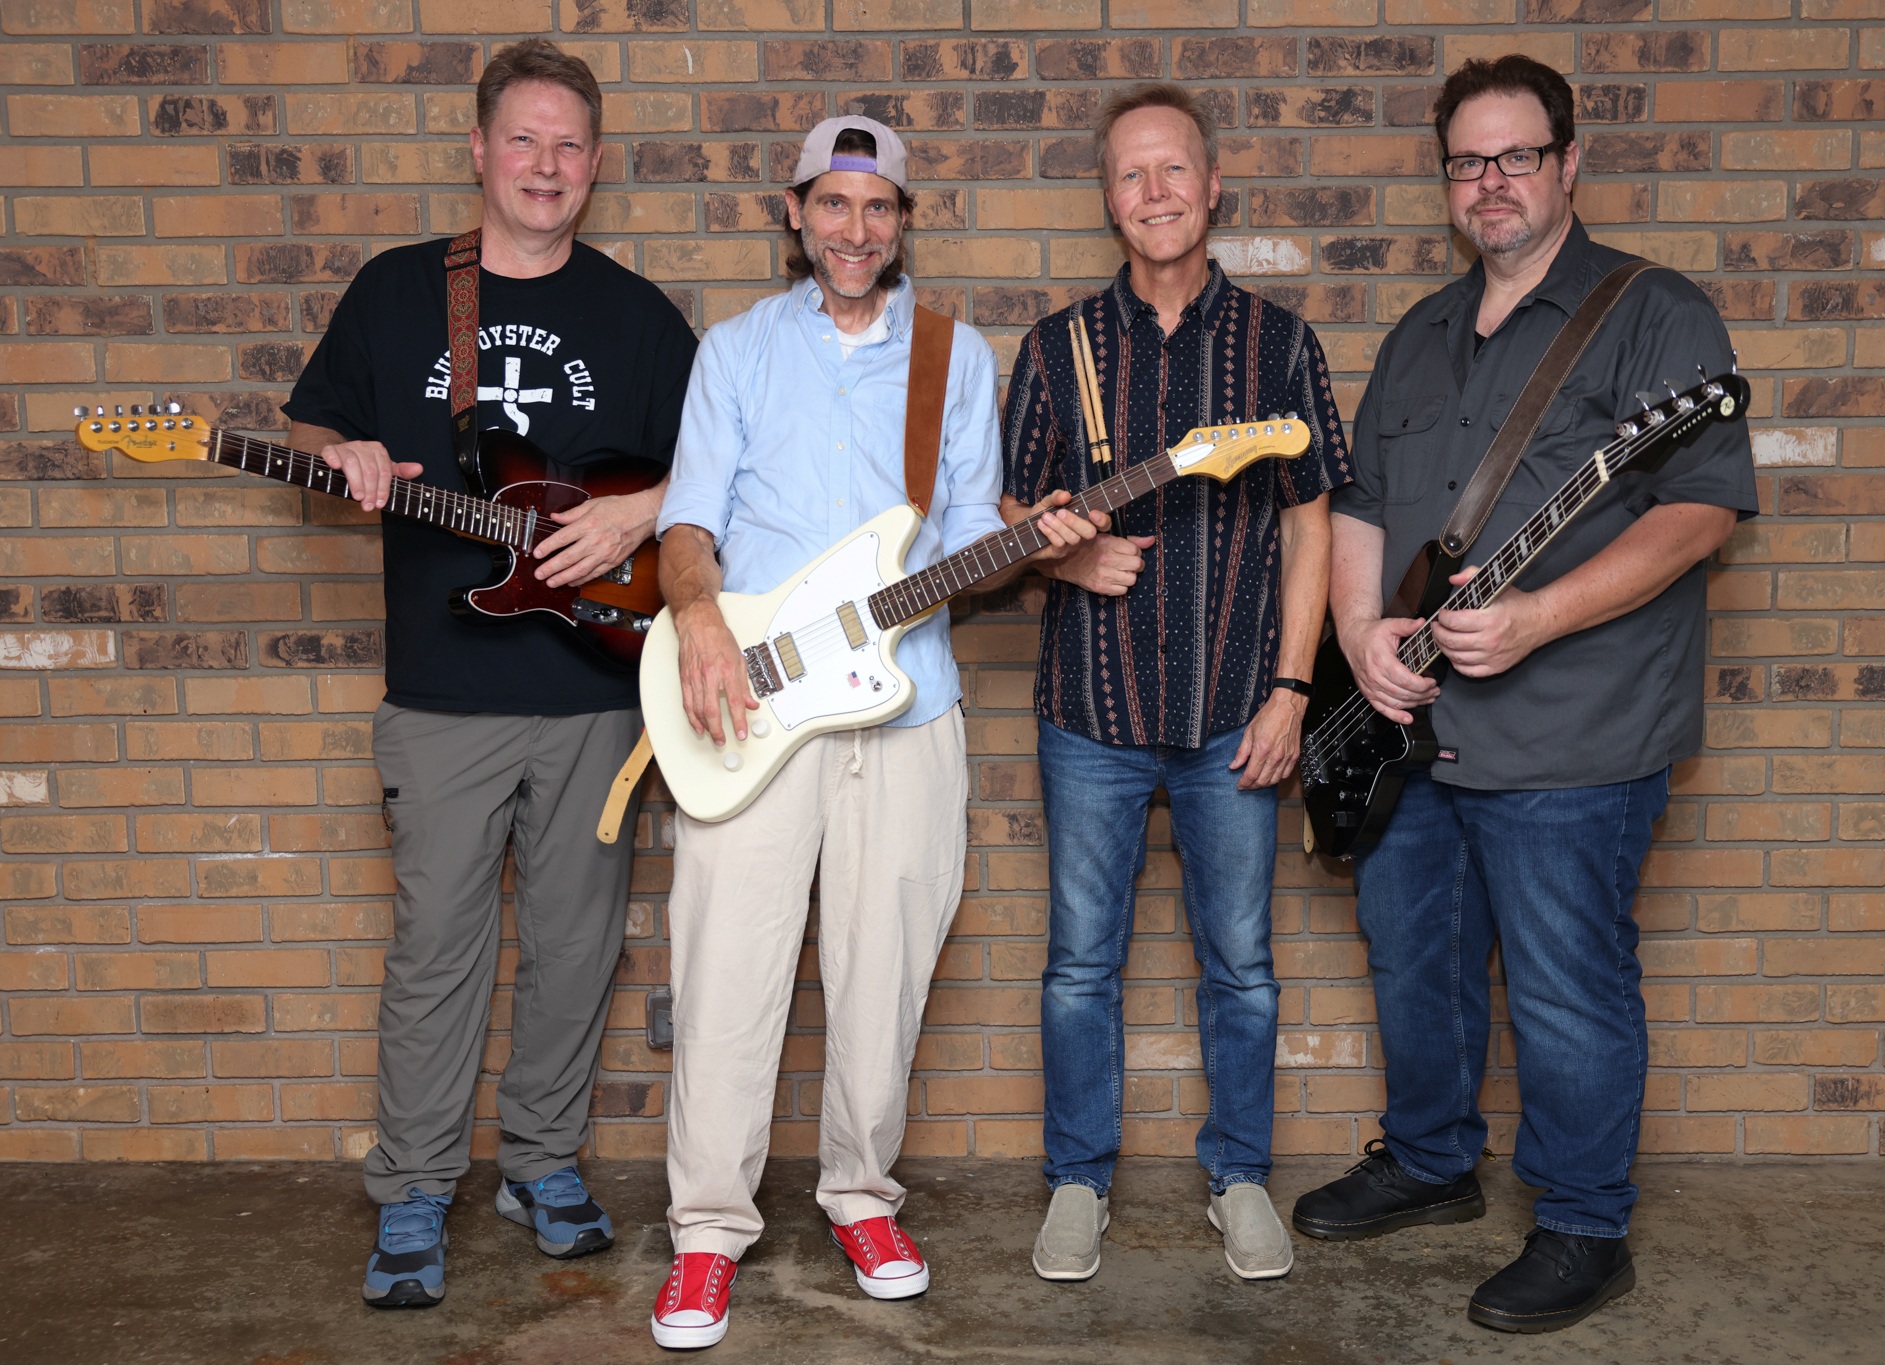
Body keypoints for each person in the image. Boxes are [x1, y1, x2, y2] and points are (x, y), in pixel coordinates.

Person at [1289, 54, 1756, 1332]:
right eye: (1466, 161)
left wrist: (1540, 614)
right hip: (1412, 732)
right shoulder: (1419, 335)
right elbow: (1364, 515)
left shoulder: (1655, 316)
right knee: (1416, 962)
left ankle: (1582, 1223)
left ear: (1564, 165)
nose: (1489, 182)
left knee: (1564, 983)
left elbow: (1703, 508)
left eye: (1515, 156)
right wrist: (1362, 639)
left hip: (1574, 735)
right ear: (1445, 181)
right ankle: (1432, 1162)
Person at [647, 115, 1100, 1351]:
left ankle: (860, 1196)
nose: (855, 230)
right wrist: (696, 621)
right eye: (832, 205)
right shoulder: (734, 352)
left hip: (907, 704)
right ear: (792, 213)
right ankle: (705, 1234)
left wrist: (1025, 540)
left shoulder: (955, 358)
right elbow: (688, 521)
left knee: (882, 971)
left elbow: (957, 533)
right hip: (748, 702)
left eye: (878, 208)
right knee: (728, 969)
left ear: (903, 221)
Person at [283, 39, 699, 1308]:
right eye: (524, 139)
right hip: (444, 694)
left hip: (595, 697)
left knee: (576, 951)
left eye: (569, 144)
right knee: (437, 953)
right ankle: (412, 1187)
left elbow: (725, 476)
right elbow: (309, 422)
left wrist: (639, 519)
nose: (546, 165)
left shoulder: (635, 315)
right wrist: (341, 451)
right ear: (478, 150)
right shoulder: (400, 293)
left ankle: (541, 1164)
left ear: (594, 164)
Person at [1000, 82, 1351, 1285]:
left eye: (1172, 171)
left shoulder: (1278, 345)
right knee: (1077, 969)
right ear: (1108, 199)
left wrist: (1293, 689)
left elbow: (1312, 525)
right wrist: (1065, 545)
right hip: (1088, 712)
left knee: (1240, 968)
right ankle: (1076, 1183)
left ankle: (1239, 1176)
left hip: (1231, 714)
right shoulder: (1057, 347)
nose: (1152, 193)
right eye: (1128, 175)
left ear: (1211, 190)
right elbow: (1011, 504)